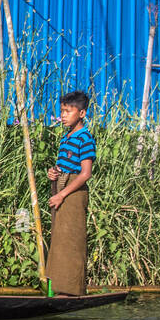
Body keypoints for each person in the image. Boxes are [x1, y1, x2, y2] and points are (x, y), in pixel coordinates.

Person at [45, 90, 96, 296]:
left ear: (82, 113)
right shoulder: (66, 138)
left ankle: (71, 290)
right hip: (62, 185)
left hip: (72, 192)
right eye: (62, 111)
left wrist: (62, 194)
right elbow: (63, 166)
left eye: (68, 111)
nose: (64, 115)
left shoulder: (84, 138)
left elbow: (85, 174)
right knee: (59, 240)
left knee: (71, 240)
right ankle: (57, 289)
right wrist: (53, 172)